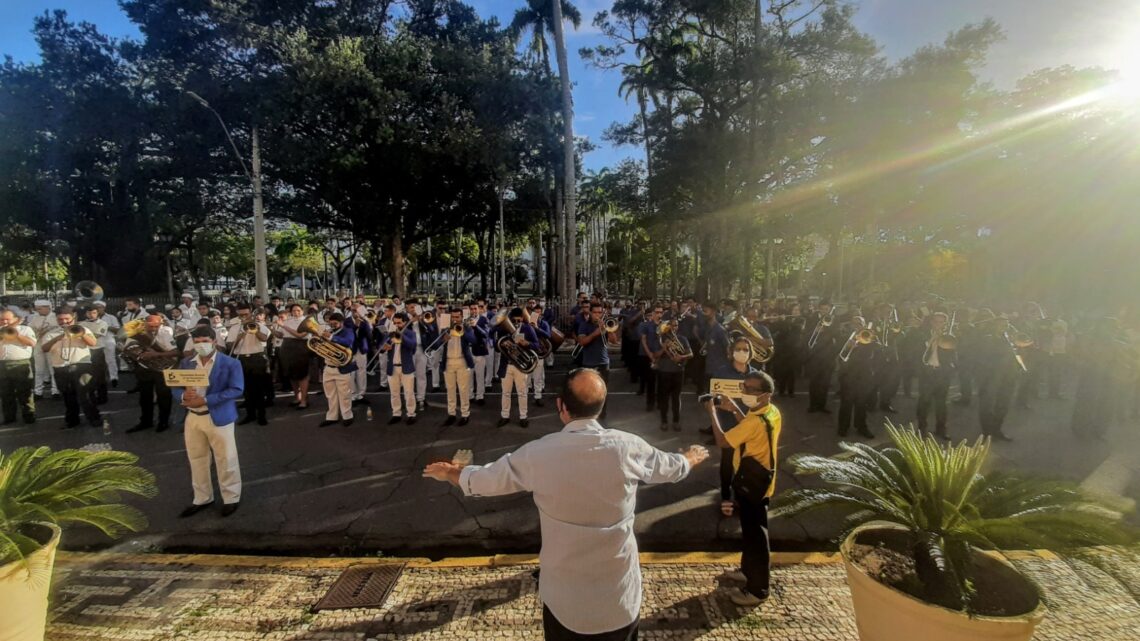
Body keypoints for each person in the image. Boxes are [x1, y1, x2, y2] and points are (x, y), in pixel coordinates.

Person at [423, 369, 709, 640]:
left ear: (561, 407)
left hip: (565, 600)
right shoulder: (628, 446)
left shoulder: (539, 453)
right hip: (618, 597)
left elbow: (486, 480)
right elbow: (671, 467)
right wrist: (691, 457)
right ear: (601, 406)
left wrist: (450, 472)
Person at [705, 370, 782, 607]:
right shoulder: (771, 412)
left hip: (752, 484)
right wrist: (735, 410)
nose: (745, 393)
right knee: (751, 532)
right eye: (743, 387)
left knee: (757, 538)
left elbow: (723, 441)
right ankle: (747, 571)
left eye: (750, 390)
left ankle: (758, 590)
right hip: (762, 481)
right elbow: (749, 425)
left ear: (766, 394)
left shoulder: (755, 421)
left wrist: (712, 413)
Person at [174, 326, 244, 518]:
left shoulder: (230, 363)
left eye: (204, 341)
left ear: (213, 341)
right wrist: (182, 397)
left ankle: (231, 498)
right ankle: (202, 497)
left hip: (219, 416)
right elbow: (175, 386)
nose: (200, 345)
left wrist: (206, 400)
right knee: (196, 459)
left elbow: (237, 389)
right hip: (193, 417)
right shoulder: (187, 363)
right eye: (196, 342)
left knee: (226, 459)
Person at [41, 309, 101, 429]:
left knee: (86, 395)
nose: (64, 322)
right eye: (60, 319)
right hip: (60, 368)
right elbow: (45, 348)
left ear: (73, 318)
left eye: (67, 319)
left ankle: (94, 418)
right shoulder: (50, 333)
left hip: (82, 366)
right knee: (68, 396)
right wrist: (58, 337)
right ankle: (72, 420)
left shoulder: (82, 329)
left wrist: (81, 333)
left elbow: (93, 343)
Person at [126, 314, 179, 433]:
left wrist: (156, 355)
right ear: (145, 324)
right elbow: (129, 348)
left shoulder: (165, 334)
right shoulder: (137, 334)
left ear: (161, 324)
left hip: (161, 369)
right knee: (144, 397)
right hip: (144, 368)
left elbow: (176, 352)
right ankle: (146, 421)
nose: (154, 329)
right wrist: (135, 354)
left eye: (156, 326)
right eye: (151, 326)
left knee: (163, 396)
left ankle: (163, 421)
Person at [226, 303, 272, 426]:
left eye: (246, 314)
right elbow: (230, 346)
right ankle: (250, 414)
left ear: (251, 313)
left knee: (259, 389)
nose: (244, 317)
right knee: (246, 389)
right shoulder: (234, 328)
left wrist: (254, 330)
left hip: (257, 358)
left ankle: (261, 415)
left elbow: (264, 339)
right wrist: (242, 333)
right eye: (241, 315)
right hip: (241, 359)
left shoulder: (259, 325)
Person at [495, 307, 541, 428]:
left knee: (522, 393)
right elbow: (496, 346)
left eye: (518, 321)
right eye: (514, 321)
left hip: (521, 365)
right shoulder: (503, 329)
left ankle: (523, 417)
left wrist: (527, 343)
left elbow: (537, 345)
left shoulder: (528, 328)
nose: (516, 323)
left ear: (522, 319)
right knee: (505, 392)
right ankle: (505, 416)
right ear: (510, 319)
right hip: (507, 365)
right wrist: (503, 343)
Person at [915, 312, 956, 440]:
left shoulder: (949, 337)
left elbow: (953, 355)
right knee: (924, 401)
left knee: (941, 403)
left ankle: (941, 429)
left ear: (945, 324)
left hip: (942, 373)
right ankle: (922, 428)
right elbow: (916, 351)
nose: (938, 324)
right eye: (936, 321)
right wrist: (932, 339)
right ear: (931, 322)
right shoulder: (923, 334)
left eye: (941, 322)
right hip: (928, 372)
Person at [440, 307, 483, 426]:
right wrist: (444, 339)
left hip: (462, 361)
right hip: (448, 362)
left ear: (461, 317)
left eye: (457, 317)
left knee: (463, 390)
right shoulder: (445, 328)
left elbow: (473, 340)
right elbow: (437, 343)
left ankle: (465, 414)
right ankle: (451, 414)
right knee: (450, 389)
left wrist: (462, 332)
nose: (455, 319)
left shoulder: (466, 327)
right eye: (453, 317)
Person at [836, 317, 877, 439]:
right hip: (848, 375)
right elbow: (840, 357)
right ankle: (843, 427)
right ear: (851, 325)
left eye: (860, 323)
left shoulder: (869, 337)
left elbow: (875, 353)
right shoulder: (845, 337)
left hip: (864, 376)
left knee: (861, 403)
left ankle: (861, 426)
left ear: (864, 325)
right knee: (846, 403)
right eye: (855, 323)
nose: (857, 326)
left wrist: (871, 337)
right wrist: (849, 347)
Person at [575, 302, 615, 419]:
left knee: (603, 389)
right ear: (590, 313)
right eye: (595, 312)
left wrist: (609, 329)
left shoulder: (605, 325)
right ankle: (589, 413)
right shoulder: (584, 325)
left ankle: (602, 412)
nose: (598, 315)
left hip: (604, 362)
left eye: (600, 312)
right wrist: (596, 333)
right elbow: (582, 342)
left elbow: (614, 340)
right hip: (589, 362)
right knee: (588, 389)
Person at [318, 313, 358, 427]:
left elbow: (348, 342)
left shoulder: (348, 331)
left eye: (335, 324)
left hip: (342, 367)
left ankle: (347, 416)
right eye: (330, 324)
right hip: (328, 367)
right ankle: (332, 417)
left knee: (344, 394)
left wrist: (330, 337)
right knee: (330, 395)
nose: (332, 326)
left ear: (342, 323)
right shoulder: (329, 331)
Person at [0, 310, 37, 424]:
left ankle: (29, 415)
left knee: (25, 392)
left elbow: (31, 343)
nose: (5, 321)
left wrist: (16, 334)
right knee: (5, 393)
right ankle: (9, 417)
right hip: (2, 364)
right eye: (2, 319)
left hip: (21, 363)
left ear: (15, 319)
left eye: (7, 319)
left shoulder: (25, 329)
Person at [382, 312, 418, 425]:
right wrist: (384, 347)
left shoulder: (411, 333)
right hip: (393, 368)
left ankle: (411, 414)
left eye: (399, 323)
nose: (397, 325)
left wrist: (401, 336)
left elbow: (412, 346)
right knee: (394, 393)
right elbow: (381, 347)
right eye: (395, 323)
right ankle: (396, 413)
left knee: (409, 393)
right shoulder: (390, 334)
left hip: (406, 367)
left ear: (405, 322)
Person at [655, 321, 691, 432]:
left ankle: (676, 421)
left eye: (676, 325)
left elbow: (691, 354)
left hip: (678, 371)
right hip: (664, 371)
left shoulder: (683, 339)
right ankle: (664, 421)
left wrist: (681, 357)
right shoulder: (661, 339)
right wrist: (664, 347)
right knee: (664, 398)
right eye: (671, 325)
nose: (674, 328)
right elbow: (655, 355)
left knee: (676, 398)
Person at [275, 304, 313, 409]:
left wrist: (283, 326)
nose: (296, 312)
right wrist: (273, 328)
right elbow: (281, 335)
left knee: (302, 375)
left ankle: (304, 400)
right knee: (291, 374)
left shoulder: (307, 321)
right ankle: (297, 397)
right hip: (287, 347)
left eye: (298, 310)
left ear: (302, 311)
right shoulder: (287, 321)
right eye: (294, 310)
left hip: (301, 347)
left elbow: (300, 335)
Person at [805, 301, 838, 413]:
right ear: (819, 309)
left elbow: (836, 334)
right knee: (814, 381)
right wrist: (815, 331)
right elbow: (805, 334)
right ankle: (812, 405)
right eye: (823, 309)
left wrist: (826, 330)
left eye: (827, 309)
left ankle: (822, 406)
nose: (825, 311)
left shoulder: (833, 320)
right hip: (815, 356)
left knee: (825, 382)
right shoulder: (812, 319)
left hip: (828, 356)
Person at [25, 299, 59, 398]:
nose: (38, 311)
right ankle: (38, 392)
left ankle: (55, 391)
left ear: (48, 307)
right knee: (39, 369)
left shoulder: (56, 317)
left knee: (53, 369)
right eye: (37, 309)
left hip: (51, 345)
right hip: (39, 345)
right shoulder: (35, 318)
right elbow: (29, 330)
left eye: (40, 309)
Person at [637, 305, 663, 411]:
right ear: (652, 314)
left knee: (661, 381)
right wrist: (650, 355)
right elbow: (643, 341)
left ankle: (660, 402)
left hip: (661, 356)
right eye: (657, 312)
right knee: (650, 381)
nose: (659, 314)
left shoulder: (664, 325)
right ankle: (650, 403)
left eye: (661, 312)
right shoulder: (645, 325)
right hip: (648, 355)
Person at [92, 300, 120, 388]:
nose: (97, 309)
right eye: (96, 307)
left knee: (110, 360)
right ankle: (98, 379)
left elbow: (117, 330)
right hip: (96, 342)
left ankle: (113, 378)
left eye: (99, 307)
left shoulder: (111, 317)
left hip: (109, 341)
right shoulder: (91, 317)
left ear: (104, 308)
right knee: (95, 361)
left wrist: (107, 327)